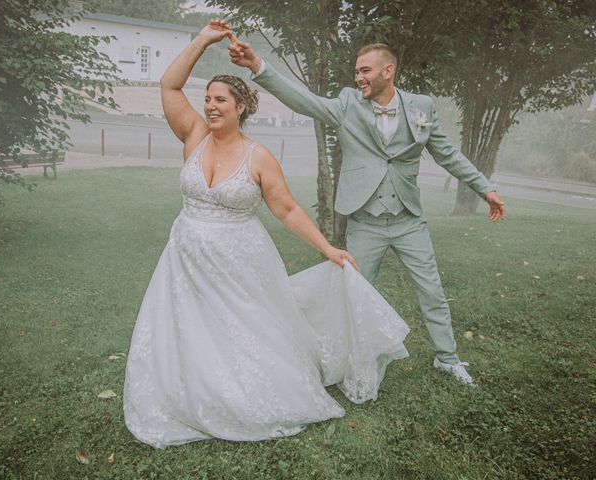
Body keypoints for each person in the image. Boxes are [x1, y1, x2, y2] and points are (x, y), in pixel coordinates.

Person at [123, 20, 410, 448]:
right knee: (189, 327)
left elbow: (288, 209)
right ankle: (192, 386)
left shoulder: (258, 157)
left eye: (220, 100)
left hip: (238, 260)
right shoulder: (193, 137)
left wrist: (328, 248)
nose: (211, 107)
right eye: (207, 100)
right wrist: (202, 41)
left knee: (243, 327)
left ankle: (243, 391)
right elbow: (169, 87)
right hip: (184, 256)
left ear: (241, 108)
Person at [228, 38, 507, 386]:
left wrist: (486, 189)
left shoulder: (421, 107)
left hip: (408, 221)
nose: (358, 77)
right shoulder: (347, 104)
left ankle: (447, 359)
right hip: (365, 222)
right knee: (354, 296)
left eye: (365, 71)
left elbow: (447, 154)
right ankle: (351, 362)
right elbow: (305, 102)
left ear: (387, 71)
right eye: (356, 71)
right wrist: (259, 66)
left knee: (432, 291)